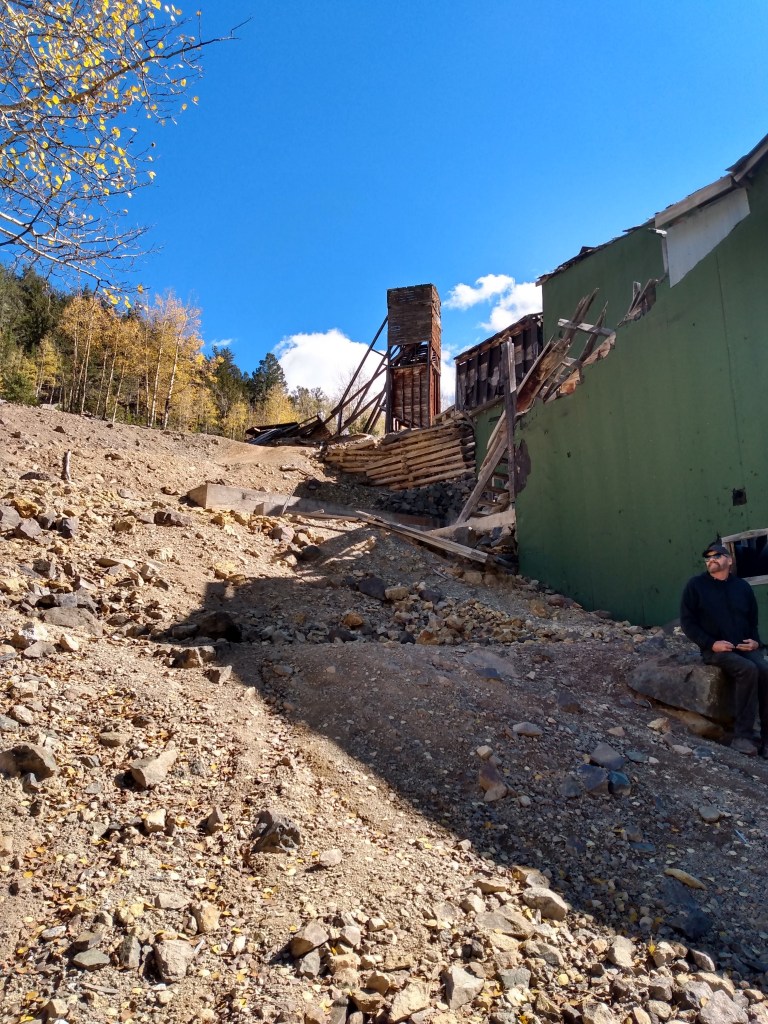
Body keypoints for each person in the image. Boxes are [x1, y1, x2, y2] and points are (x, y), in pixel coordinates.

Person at [680, 542, 768, 756]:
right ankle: (742, 736)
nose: (711, 559)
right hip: (715, 651)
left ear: (729, 560)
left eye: (717, 555)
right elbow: (688, 623)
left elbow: (752, 622)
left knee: (765, 671)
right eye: (708, 556)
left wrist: (755, 642)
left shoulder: (742, 587)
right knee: (748, 670)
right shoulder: (696, 586)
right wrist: (711, 644)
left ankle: (766, 738)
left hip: (743, 647)